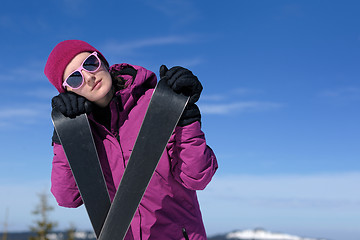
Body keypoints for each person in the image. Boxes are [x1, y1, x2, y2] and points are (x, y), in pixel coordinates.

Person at [44, 40, 218, 240]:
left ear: (102, 61)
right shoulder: (83, 135)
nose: (89, 77)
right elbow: (67, 197)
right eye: (75, 79)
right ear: (68, 92)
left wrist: (186, 120)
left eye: (90, 63)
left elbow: (197, 176)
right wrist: (65, 136)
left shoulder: (156, 105)